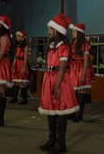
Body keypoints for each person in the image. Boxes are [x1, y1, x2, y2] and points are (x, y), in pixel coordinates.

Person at [38, 14, 79, 153]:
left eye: (50, 29)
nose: (48, 32)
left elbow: (62, 68)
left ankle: (61, 144)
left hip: (60, 81)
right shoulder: (51, 46)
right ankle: (52, 140)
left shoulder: (64, 47)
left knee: (61, 111)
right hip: (49, 79)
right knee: (51, 110)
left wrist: (56, 86)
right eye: (48, 29)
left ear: (58, 31)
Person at [69, 23, 92, 122]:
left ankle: (79, 115)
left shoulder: (84, 44)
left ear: (79, 32)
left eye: (74, 31)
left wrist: (83, 74)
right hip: (72, 69)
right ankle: (73, 113)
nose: (72, 33)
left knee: (81, 93)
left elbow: (86, 60)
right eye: (72, 31)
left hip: (80, 69)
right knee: (73, 93)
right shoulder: (72, 43)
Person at [10, 30, 30, 105]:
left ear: (22, 37)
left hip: (21, 63)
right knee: (16, 82)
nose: (17, 37)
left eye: (18, 36)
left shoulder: (25, 46)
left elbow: (25, 57)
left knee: (21, 81)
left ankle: (24, 99)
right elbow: (15, 56)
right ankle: (14, 98)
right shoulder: (17, 45)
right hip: (17, 63)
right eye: (16, 36)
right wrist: (13, 65)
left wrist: (24, 67)